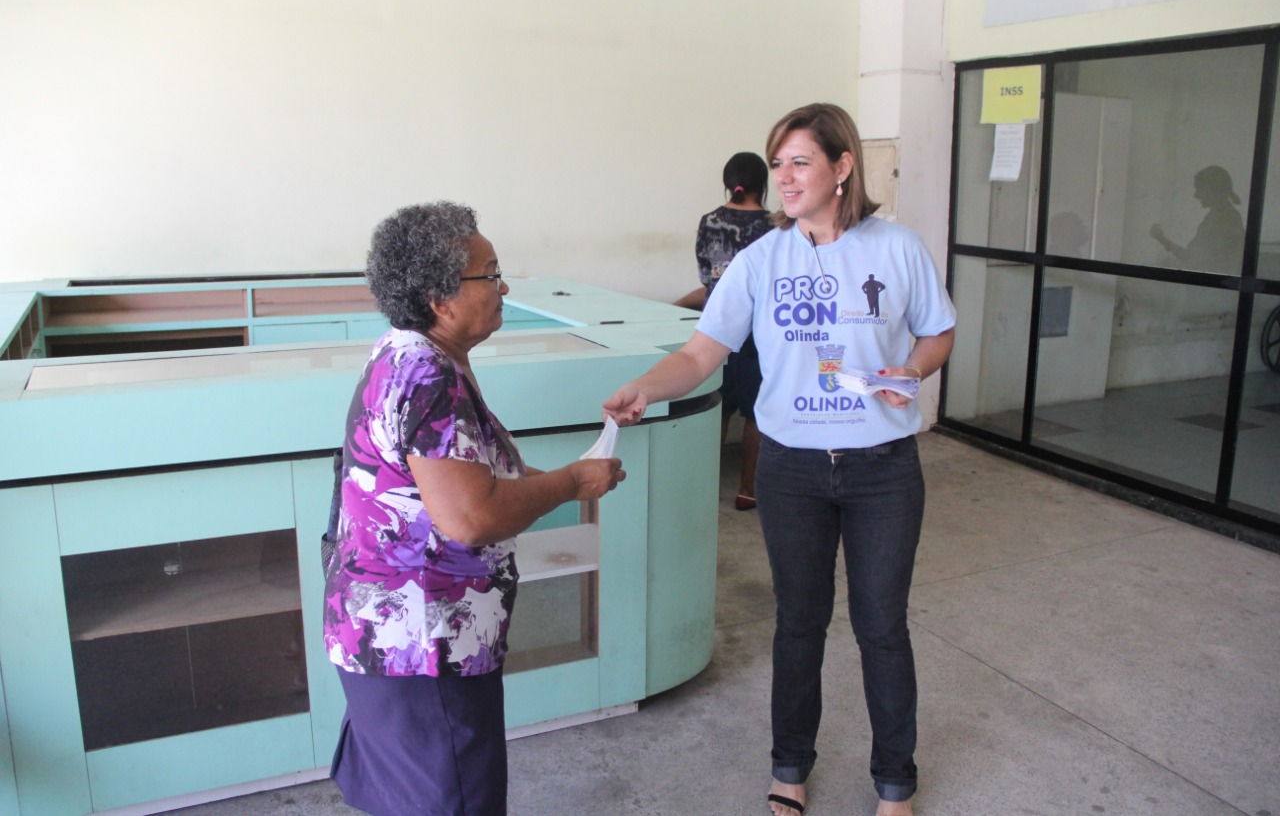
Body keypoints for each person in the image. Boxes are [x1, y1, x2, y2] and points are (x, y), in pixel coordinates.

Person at [604, 104, 955, 816]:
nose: (785, 178)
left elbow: (938, 332)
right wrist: (647, 385)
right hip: (792, 469)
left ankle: (896, 783)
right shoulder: (762, 259)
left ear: (842, 167)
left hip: (882, 467)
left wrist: (912, 372)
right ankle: (789, 770)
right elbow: (704, 351)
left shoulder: (896, 248)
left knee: (881, 624)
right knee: (799, 621)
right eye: (778, 164)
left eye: (800, 161)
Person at [323, 201, 625, 816]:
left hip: (393, 641)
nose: (503, 286)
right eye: (489, 274)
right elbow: (471, 516)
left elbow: (462, 481)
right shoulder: (429, 378)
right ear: (441, 297)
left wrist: (575, 478)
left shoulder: (408, 355)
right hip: (422, 650)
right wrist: (569, 482)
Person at [675, 152, 774, 510]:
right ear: (764, 184)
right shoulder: (775, 226)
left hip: (716, 324)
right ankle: (747, 489)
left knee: (719, 405)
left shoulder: (709, 221)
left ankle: (706, 483)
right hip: (757, 332)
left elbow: (706, 279)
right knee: (755, 412)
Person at [1149, 164, 1245, 275]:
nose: (1195, 195)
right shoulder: (1222, 216)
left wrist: (1162, 239)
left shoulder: (1225, 219)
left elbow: (1193, 258)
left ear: (1212, 189)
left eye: (1199, 189)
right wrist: (1162, 239)